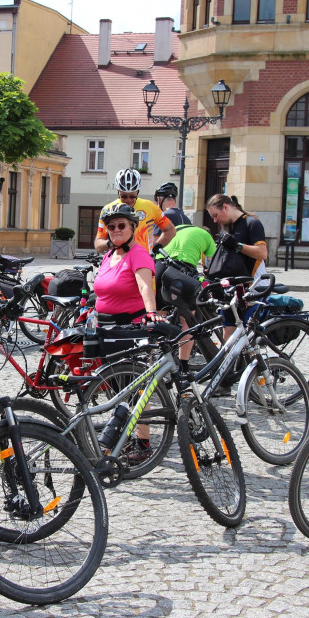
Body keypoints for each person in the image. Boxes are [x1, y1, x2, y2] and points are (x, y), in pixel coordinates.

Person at [91, 203, 160, 464]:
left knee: (136, 390)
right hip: (106, 329)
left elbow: (145, 287)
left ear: (133, 227)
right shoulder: (110, 255)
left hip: (129, 328)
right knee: (118, 389)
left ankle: (143, 445)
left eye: (121, 225)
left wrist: (152, 313)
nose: (116, 230)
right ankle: (125, 434)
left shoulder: (138, 255)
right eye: (111, 226)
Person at [152, 214, 216, 372]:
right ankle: (183, 366)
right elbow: (211, 263)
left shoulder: (176, 228)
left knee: (156, 317)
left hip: (159, 266)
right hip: (182, 270)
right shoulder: (206, 235)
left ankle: (151, 361)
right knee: (188, 321)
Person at [206, 193, 268, 341]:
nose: (215, 220)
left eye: (215, 215)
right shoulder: (228, 227)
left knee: (248, 334)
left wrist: (237, 245)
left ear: (225, 207)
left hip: (252, 286)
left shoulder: (252, 223)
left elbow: (262, 253)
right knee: (228, 331)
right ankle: (231, 364)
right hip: (233, 288)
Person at [95, 168, 172, 254]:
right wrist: (111, 243)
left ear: (138, 192)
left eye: (132, 196)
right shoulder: (107, 210)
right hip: (119, 262)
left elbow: (170, 230)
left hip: (143, 260)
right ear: (118, 192)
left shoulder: (150, 207)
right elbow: (98, 243)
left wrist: (155, 249)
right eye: (123, 196)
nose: (128, 200)